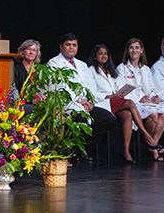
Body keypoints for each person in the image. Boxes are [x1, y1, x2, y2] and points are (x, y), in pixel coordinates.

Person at [86, 44, 162, 164]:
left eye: (105, 54)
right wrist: (111, 96)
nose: (103, 56)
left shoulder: (110, 71)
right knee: (130, 103)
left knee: (127, 115)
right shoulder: (90, 71)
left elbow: (117, 87)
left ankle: (126, 151)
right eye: (100, 53)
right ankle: (146, 135)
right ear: (94, 56)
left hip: (114, 102)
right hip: (102, 103)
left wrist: (119, 94)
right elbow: (91, 93)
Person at [47, 33, 115, 162]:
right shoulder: (54, 63)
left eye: (74, 45)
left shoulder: (82, 64)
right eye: (68, 45)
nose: (71, 48)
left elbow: (91, 85)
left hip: (85, 105)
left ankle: (82, 147)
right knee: (80, 118)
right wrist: (78, 100)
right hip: (68, 105)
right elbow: (59, 86)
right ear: (61, 47)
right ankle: (71, 148)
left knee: (108, 118)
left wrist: (89, 100)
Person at [116, 38, 164, 161]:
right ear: (127, 50)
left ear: (141, 50)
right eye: (131, 47)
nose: (134, 50)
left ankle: (152, 145)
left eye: (136, 48)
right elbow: (120, 92)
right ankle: (153, 147)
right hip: (133, 103)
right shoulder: (122, 68)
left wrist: (155, 97)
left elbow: (151, 88)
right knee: (154, 115)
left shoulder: (145, 68)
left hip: (146, 102)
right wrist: (139, 100)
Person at [14, 39, 41, 115]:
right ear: (22, 51)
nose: (31, 52)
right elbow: (16, 94)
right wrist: (33, 101)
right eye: (28, 49)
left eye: (34, 50)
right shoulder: (16, 69)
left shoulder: (40, 70)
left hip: (41, 102)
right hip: (25, 105)